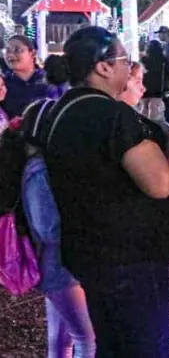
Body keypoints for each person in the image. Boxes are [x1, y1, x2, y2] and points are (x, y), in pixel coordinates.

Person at [44, 26, 169, 358]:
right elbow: (158, 183)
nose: (133, 66)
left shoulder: (60, 113)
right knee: (144, 348)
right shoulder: (112, 115)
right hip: (131, 258)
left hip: (89, 254)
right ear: (104, 66)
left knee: (110, 344)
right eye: (126, 58)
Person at [0, 102, 97, 357]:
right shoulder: (40, 169)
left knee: (62, 337)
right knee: (87, 338)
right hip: (59, 269)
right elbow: (49, 229)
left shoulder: (34, 163)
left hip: (53, 267)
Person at [2, 35, 50, 117]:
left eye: (17, 50)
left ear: (32, 53)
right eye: (8, 50)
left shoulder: (50, 79)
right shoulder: (3, 84)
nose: (10, 55)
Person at [140, 40, 169, 121]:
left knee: (145, 106)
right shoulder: (163, 60)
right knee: (153, 106)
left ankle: (143, 127)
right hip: (158, 88)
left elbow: (140, 73)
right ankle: (152, 128)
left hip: (145, 87)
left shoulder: (143, 60)